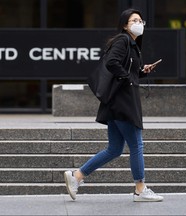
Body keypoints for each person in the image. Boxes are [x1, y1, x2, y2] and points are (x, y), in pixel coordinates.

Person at [64, 8, 164, 202]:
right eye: (134, 20)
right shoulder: (123, 40)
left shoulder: (132, 44)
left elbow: (125, 69)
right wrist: (129, 79)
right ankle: (140, 189)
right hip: (123, 103)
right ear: (125, 25)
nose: (139, 23)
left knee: (114, 149)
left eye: (141, 20)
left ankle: (76, 176)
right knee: (136, 145)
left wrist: (141, 72)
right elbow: (112, 63)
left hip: (116, 103)